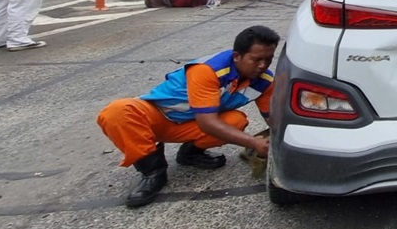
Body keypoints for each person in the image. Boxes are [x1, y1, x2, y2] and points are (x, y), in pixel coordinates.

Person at [96, 25, 279, 207]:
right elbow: (208, 123)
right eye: (256, 59)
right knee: (117, 112)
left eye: (268, 59)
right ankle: (153, 173)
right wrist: (253, 143)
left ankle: (190, 153)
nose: (263, 66)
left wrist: (282, 144)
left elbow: (274, 120)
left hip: (191, 124)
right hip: (158, 117)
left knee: (236, 121)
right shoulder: (208, 70)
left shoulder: (264, 81)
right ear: (237, 56)